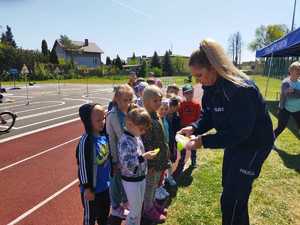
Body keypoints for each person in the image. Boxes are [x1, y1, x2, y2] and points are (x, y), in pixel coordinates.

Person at [179, 39, 274, 225]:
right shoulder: (210, 88)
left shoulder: (241, 89)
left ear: (213, 68)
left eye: (199, 75)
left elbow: (240, 133)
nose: (198, 81)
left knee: (233, 199)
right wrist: (195, 127)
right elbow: (210, 115)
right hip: (235, 143)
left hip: (254, 145)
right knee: (231, 191)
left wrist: (203, 142)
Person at [118, 108, 157, 225]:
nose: (143, 132)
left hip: (140, 178)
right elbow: (128, 164)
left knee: (138, 208)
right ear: (130, 124)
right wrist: (144, 157)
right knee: (134, 210)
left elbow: (139, 154)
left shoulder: (136, 136)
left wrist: (145, 158)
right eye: (141, 129)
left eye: (145, 129)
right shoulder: (125, 141)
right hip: (131, 181)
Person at [76, 103, 111, 225]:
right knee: (89, 218)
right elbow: (83, 167)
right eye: (98, 120)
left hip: (105, 186)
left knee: (104, 215)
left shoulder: (103, 137)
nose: (102, 122)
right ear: (88, 122)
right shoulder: (85, 142)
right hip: (92, 190)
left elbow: (107, 157)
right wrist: (87, 187)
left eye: (104, 118)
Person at [141, 85, 169, 223]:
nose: (159, 104)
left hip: (160, 160)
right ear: (146, 102)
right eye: (155, 101)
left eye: (160, 100)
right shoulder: (146, 119)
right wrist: (150, 164)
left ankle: (151, 204)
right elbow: (147, 143)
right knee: (150, 186)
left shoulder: (156, 115)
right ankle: (147, 209)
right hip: (153, 163)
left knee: (155, 185)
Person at [106, 84, 134, 219]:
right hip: (117, 154)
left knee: (125, 178)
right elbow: (113, 138)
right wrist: (115, 160)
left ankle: (125, 202)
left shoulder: (129, 111)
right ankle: (115, 206)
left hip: (127, 153)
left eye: (130, 100)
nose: (128, 103)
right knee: (116, 180)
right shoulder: (112, 116)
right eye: (125, 100)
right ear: (116, 99)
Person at [177, 84, 201, 170]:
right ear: (183, 94)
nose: (189, 95)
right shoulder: (181, 105)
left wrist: (193, 127)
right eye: (187, 93)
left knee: (193, 145)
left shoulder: (196, 104)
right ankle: (182, 160)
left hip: (192, 129)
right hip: (183, 128)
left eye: (191, 92)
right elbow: (180, 115)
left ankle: (193, 161)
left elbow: (198, 118)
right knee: (182, 145)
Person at [274, 61, 300, 139]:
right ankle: (270, 141)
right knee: (280, 128)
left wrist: (294, 91)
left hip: (298, 110)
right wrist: (296, 93)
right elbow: (289, 95)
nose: (298, 71)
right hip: (285, 109)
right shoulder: (286, 82)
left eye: (299, 70)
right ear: (290, 71)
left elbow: (294, 94)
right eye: (297, 69)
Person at [155, 99, 172, 200]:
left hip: (165, 148)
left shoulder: (165, 120)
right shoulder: (157, 120)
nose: (163, 111)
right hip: (159, 151)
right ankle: (156, 190)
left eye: (166, 109)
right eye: (161, 109)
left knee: (163, 171)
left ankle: (160, 187)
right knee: (158, 171)